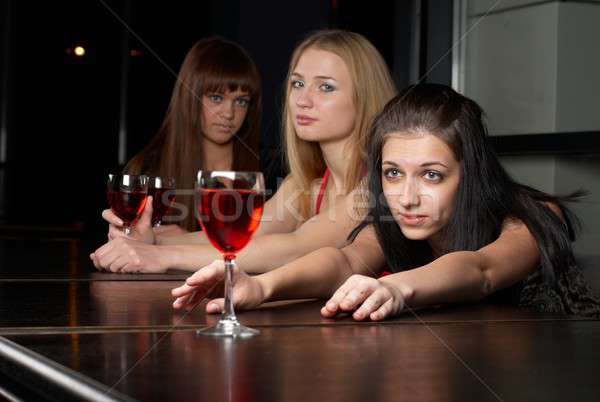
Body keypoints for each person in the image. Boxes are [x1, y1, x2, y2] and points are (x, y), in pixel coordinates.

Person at [172, 83, 600, 319]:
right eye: (393, 173)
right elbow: (341, 262)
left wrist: (395, 287)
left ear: (470, 172)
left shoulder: (533, 216)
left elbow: (481, 271)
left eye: (432, 175)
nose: (407, 198)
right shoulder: (394, 221)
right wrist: (261, 285)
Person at [90, 30, 397, 274]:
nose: (303, 100)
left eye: (325, 87)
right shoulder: (309, 183)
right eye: (297, 84)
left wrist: (161, 255)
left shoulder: (376, 185)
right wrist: (149, 239)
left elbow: (294, 248)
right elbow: (245, 236)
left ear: (364, 97)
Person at [105, 36, 262, 236]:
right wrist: (125, 237)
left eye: (241, 101)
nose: (229, 113)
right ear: (189, 97)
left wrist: (178, 242)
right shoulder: (147, 172)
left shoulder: (270, 167)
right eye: (216, 98)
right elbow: (131, 251)